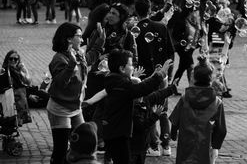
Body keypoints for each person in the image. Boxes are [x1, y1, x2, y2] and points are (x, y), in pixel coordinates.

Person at [47, 22, 105, 164]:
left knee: (82, 142)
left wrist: (99, 42)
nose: (82, 39)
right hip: (60, 108)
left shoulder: (77, 53)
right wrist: (70, 66)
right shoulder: (59, 59)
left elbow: (90, 57)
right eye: (79, 36)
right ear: (68, 39)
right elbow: (60, 84)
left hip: (75, 107)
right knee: (60, 149)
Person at [102, 49, 172, 164]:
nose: (133, 67)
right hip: (118, 135)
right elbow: (142, 88)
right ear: (122, 68)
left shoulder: (115, 80)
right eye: (130, 65)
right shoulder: (122, 85)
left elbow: (142, 86)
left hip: (114, 132)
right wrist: (161, 74)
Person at [134, 0, 175, 157]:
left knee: (148, 108)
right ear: (150, 9)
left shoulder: (134, 30)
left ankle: (154, 146)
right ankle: (166, 146)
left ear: (135, 11)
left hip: (144, 75)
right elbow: (170, 52)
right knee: (163, 110)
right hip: (162, 73)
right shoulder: (161, 27)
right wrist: (168, 72)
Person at [169, 56, 227, 164]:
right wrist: (216, 146)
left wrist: (173, 134)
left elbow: (175, 120)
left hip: (185, 146)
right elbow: (221, 129)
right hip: (205, 147)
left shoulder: (185, 98)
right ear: (211, 79)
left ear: (194, 78)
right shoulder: (217, 102)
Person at [0, 50, 32, 126]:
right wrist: (29, 95)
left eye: (15, 59)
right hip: (12, 98)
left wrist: (23, 70)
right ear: (7, 59)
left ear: (18, 60)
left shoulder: (17, 70)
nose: (13, 60)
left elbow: (28, 81)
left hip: (21, 96)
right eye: (11, 59)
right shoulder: (6, 71)